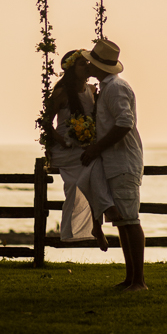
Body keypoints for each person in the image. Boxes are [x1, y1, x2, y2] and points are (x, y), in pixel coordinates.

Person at [80, 37, 147, 292]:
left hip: (123, 161)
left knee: (130, 220)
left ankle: (138, 280)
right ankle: (131, 278)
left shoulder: (115, 88)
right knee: (122, 221)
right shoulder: (108, 89)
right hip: (116, 161)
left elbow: (124, 123)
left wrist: (97, 147)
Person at [46, 49, 113, 250]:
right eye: (82, 64)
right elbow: (46, 122)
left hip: (83, 148)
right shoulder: (61, 93)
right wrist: (62, 141)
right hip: (65, 150)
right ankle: (100, 223)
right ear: (71, 68)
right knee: (88, 175)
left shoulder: (92, 90)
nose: (87, 67)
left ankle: (97, 226)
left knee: (94, 176)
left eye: (87, 63)